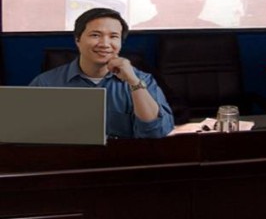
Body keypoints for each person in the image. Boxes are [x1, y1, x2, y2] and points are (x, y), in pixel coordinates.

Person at [29, 8, 174, 138]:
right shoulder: (46, 83)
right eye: (95, 35)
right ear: (77, 39)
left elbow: (156, 134)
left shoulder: (142, 81)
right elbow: (29, 133)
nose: (105, 44)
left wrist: (133, 82)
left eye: (113, 36)